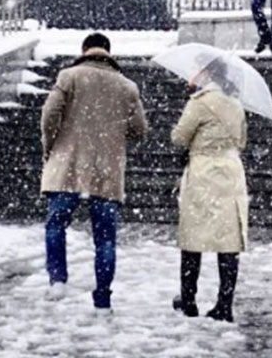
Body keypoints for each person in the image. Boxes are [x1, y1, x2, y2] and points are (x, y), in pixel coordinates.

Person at [41, 32, 148, 311]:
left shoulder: (69, 77)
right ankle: (102, 298)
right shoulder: (127, 86)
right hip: (106, 169)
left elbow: (49, 116)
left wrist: (51, 146)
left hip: (68, 164)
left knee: (56, 224)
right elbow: (139, 129)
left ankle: (58, 279)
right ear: (108, 53)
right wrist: (113, 133)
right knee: (105, 238)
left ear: (84, 50)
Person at [170, 58, 248, 324]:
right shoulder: (236, 103)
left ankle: (188, 300)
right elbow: (241, 141)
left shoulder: (199, 102)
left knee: (193, 236)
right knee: (229, 240)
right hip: (231, 171)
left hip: (202, 171)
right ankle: (224, 304)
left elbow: (179, 138)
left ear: (206, 73)